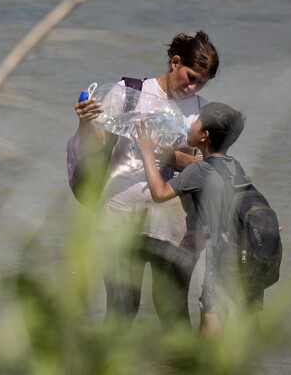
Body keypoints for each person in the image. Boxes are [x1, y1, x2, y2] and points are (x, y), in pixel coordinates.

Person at [73, 31, 219, 331]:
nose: (192, 87)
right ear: (174, 62)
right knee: (122, 310)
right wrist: (85, 121)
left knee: (174, 314)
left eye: (201, 82)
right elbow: (94, 149)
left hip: (177, 227)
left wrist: (167, 156)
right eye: (190, 77)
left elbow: (212, 168)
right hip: (120, 218)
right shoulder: (127, 93)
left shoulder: (204, 112)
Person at [130, 102, 251, 338]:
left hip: (223, 256)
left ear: (204, 135)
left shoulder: (199, 171)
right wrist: (171, 157)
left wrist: (146, 151)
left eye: (196, 122)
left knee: (211, 318)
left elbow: (160, 192)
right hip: (248, 251)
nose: (191, 124)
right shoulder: (233, 165)